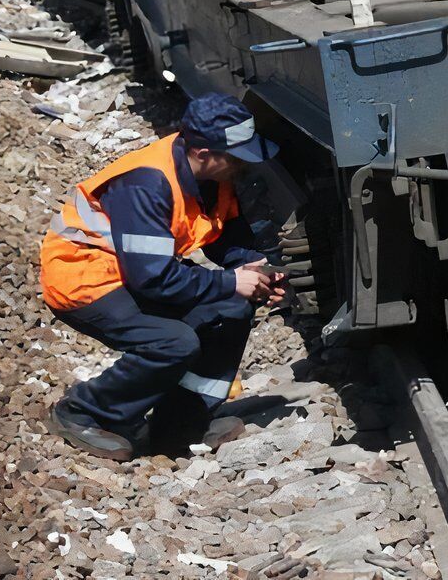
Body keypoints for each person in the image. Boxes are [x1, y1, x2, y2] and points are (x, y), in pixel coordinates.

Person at [40, 93, 289, 460]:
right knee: (173, 342)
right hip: (83, 276)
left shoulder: (214, 175)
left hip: (135, 269)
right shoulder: (148, 184)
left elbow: (225, 240)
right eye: (237, 157)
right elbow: (152, 280)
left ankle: (178, 426)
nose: (243, 166)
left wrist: (256, 268)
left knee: (232, 311)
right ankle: (82, 412)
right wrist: (230, 281)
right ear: (204, 153)